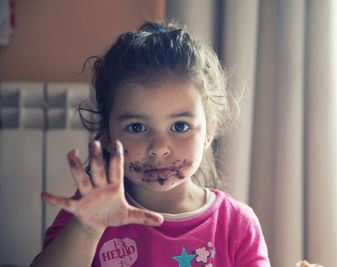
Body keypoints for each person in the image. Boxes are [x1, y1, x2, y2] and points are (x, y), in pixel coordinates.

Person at [31, 21, 271, 267]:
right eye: (137, 127)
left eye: (179, 126)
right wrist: (86, 230)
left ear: (208, 131)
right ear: (106, 132)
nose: (159, 147)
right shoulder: (88, 212)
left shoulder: (236, 224)